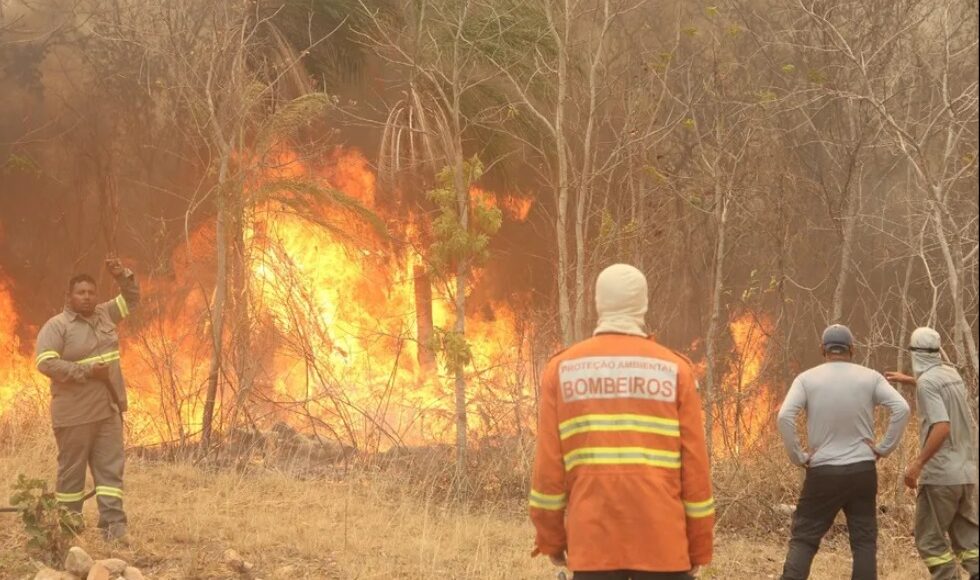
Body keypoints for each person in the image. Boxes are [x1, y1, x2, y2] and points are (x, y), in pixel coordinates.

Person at [529, 264, 713, 580]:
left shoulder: (561, 371)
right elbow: (695, 471)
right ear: (642, 305)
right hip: (663, 546)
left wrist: (551, 539)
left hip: (592, 545)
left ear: (598, 302)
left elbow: (549, 470)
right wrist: (698, 546)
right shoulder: (675, 371)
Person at [776, 324, 910, 580]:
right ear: (852, 349)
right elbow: (901, 408)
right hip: (862, 470)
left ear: (822, 350)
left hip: (823, 471)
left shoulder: (806, 379)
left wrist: (799, 456)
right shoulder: (870, 377)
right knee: (864, 543)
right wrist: (883, 448)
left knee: (804, 539)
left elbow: (784, 416)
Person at [34, 255, 140, 542]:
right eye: (81, 292)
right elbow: (45, 363)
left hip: (107, 411)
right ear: (68, 296)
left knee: (110, 473)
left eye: (91, 292)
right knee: (71, 476)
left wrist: (122, 275)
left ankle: (114, 527)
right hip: (74, 415)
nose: (87, 297)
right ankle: (68, 529)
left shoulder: (106, 313)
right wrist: (85, 371)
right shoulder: (56, 327)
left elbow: (131, 299)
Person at [885, 327, 978, 580]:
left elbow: (942, 426)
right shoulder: (951, 374)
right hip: (966, 474)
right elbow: (938, 389)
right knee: (969, 542)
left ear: (914, 353)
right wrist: (911, 380)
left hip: (940, 477)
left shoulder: (927, 383)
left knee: (930, 542)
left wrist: (917, 464)